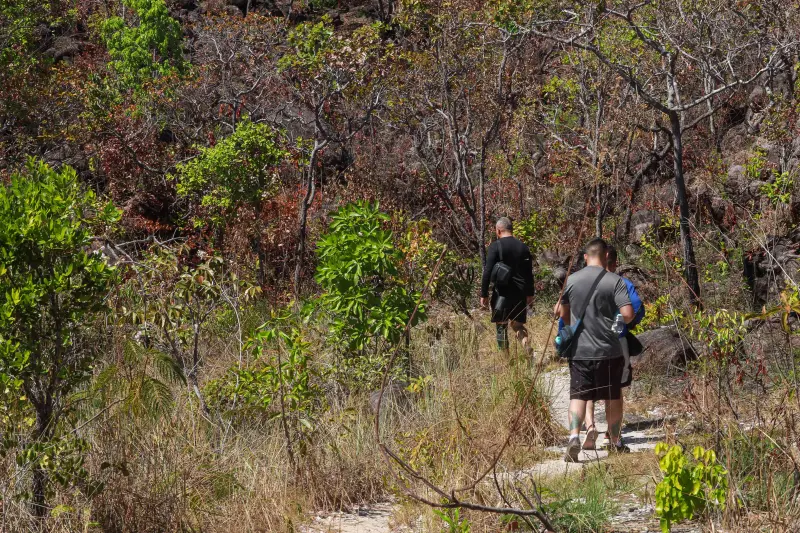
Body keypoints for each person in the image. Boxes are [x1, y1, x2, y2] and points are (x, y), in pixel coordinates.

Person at [559, 238, 635, 462]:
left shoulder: (571, 281)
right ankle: (614, 441)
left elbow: (563, 315)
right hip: (609, 350)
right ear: (606, 257)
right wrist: (617, 322)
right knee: (613, 396)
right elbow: (628, 314)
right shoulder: (615, 281)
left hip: (580, 351)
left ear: (585, 257)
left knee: (579, 395)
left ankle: (574, 436)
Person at [582, 245, 645, 450]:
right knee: (614, 388)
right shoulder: (622, 283)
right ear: (615, 262)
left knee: (588, 386)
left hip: (587, 341)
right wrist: (622, 322)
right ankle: (612, 433)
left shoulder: (585, 282)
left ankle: (590, 425)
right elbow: (636, 307)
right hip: (615, 341)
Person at [480, 217, 535, 353]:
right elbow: (529, 273)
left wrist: (484, 293)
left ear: (498, 231)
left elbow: (487, 272)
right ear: (511, 229)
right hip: (520, 293)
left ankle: (505, 359)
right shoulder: (523, 247)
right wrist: (530, 294)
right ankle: (525, 343)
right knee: (517, 325)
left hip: (502, 293)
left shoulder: (495, 246)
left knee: (501, 326)